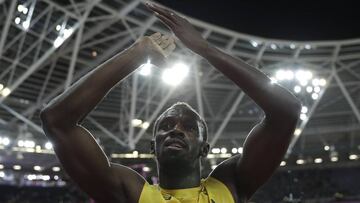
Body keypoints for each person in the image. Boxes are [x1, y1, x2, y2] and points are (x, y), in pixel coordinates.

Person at [40, 2, 301, 203]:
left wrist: (205, 50)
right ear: (152, 147)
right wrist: (136, 54)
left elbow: (286, 112)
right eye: (165, 125)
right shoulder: (130, 192)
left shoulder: (231, 184)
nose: (176, 129)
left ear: (204, 148)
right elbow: (56, 121)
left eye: (189, 126)